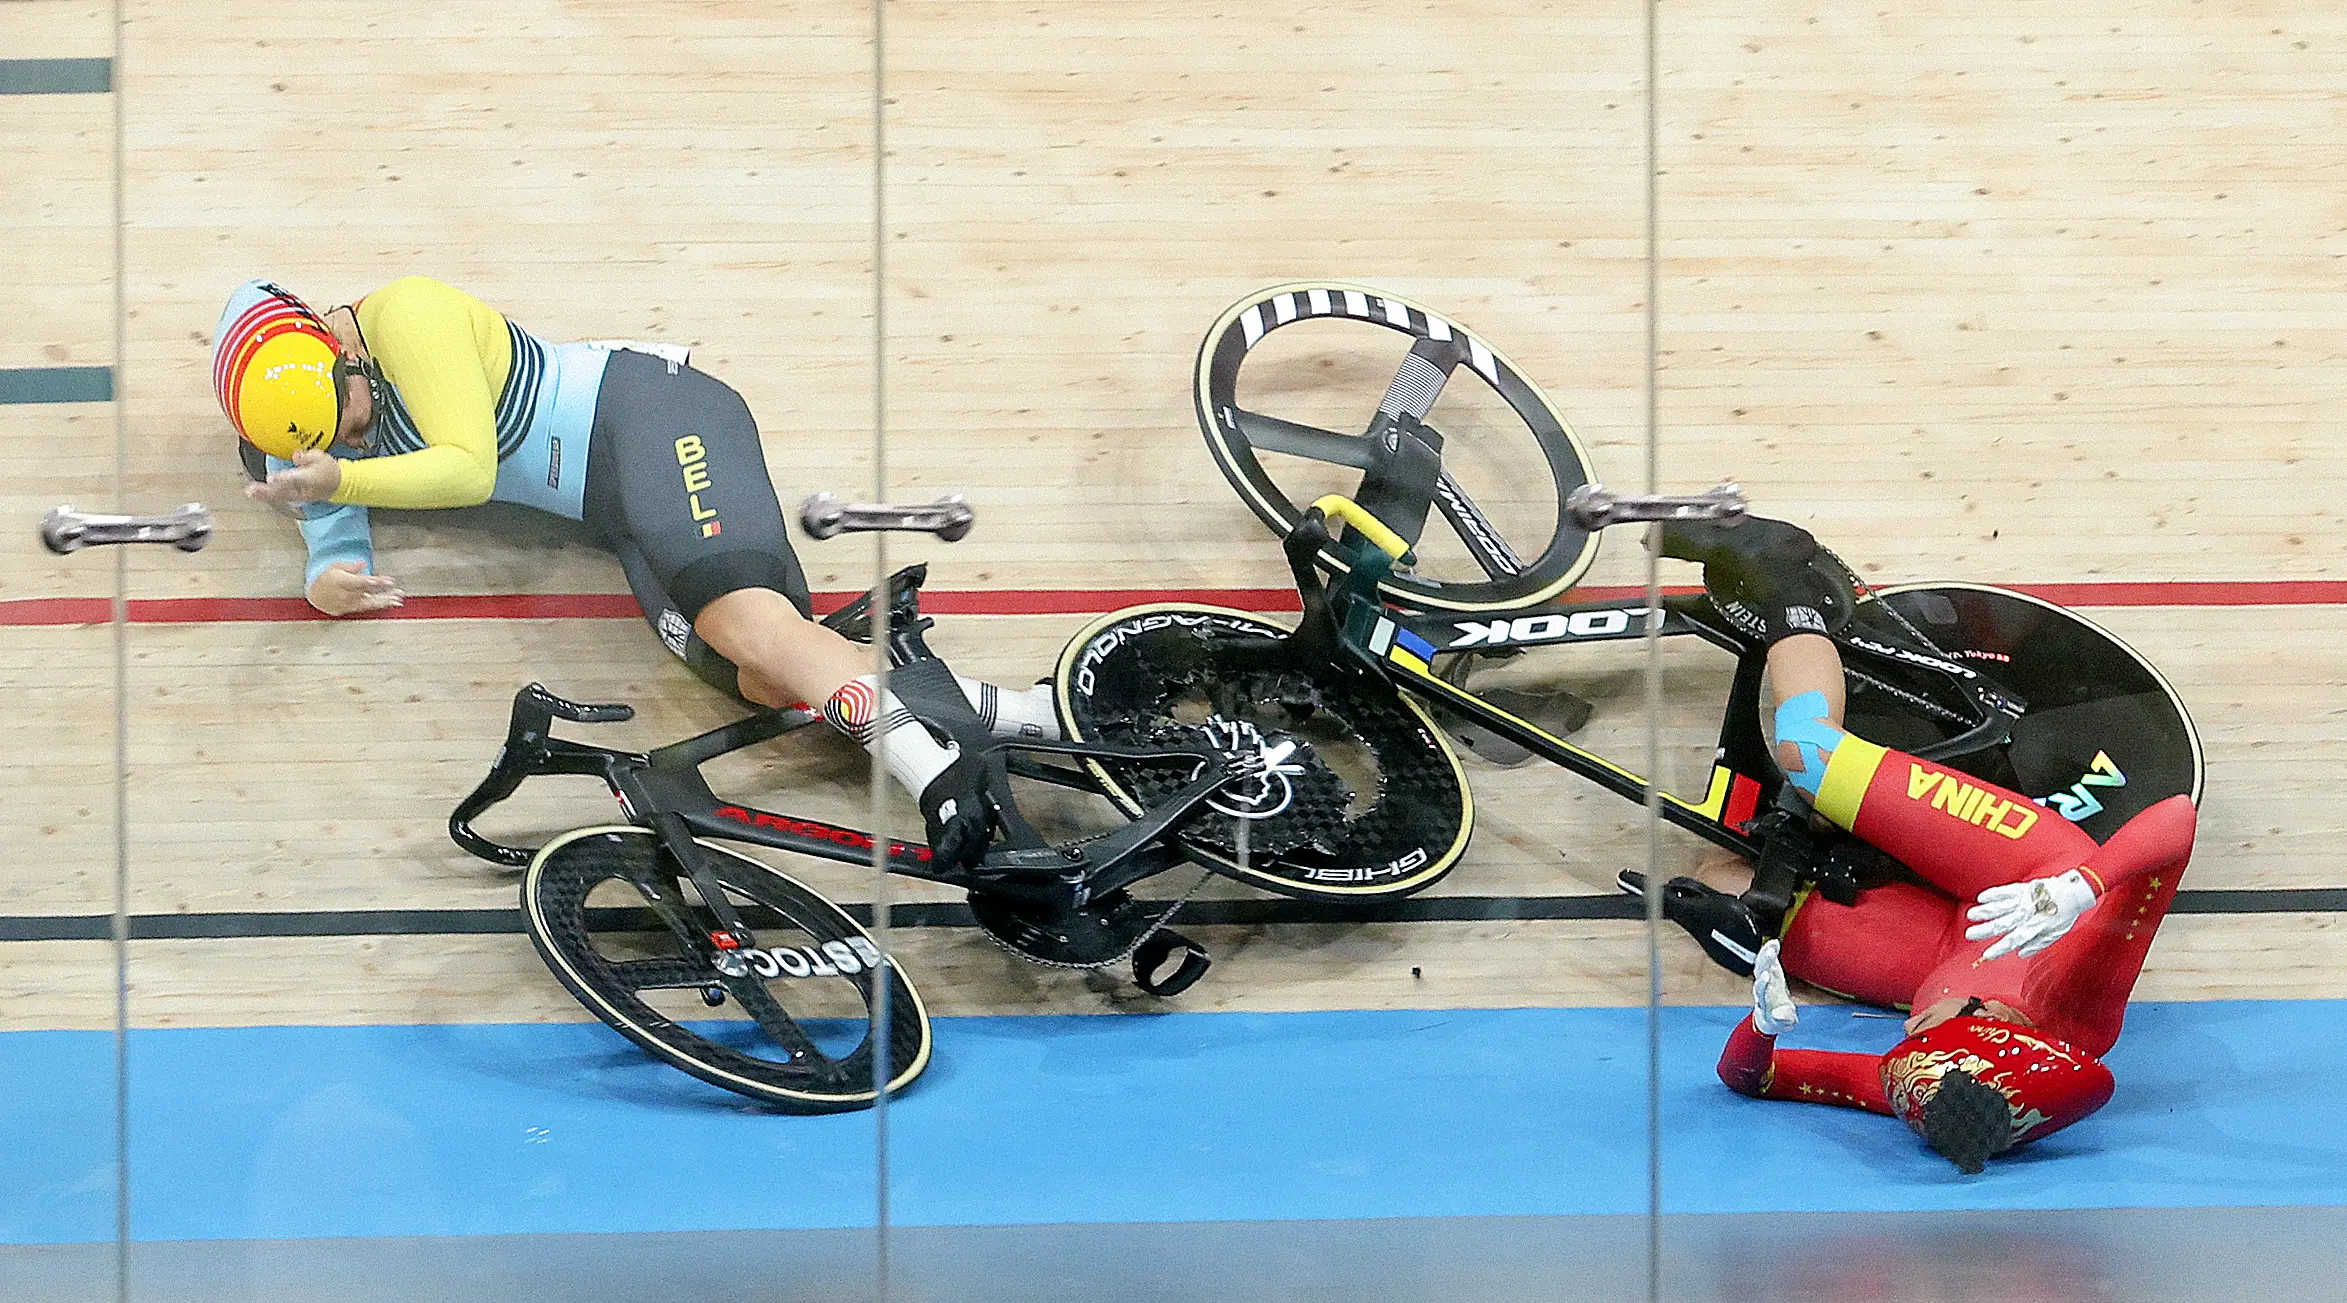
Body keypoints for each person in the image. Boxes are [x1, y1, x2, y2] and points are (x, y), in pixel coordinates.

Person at [212, 276, 1053, 865]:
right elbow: (330, 525)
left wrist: (343, 477)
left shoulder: (407, 315)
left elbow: (466, 467)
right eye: (323, 444)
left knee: (747, 626)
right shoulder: (292, 432)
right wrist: (328, 578)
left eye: (350, 420)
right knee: (763, 678)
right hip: (613, 511)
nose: (349, 444)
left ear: (340, 353)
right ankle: (1032, 714)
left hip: (650, 420)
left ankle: (938, 774)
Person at [1712, 709, 2198, 1172]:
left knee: (1748, 906)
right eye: (1924, 1034)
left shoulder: (1921, 1085)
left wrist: (1761, 1028)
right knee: (1808, 754)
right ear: (1990, 1019)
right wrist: (2081, 884)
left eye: (1914, 1044)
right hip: (2032, 874)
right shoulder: (2077, 1003)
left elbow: (1753, 1078)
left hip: (1940, 953)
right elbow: (2177, 819)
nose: (1905, 1033)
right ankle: (1797, 622)